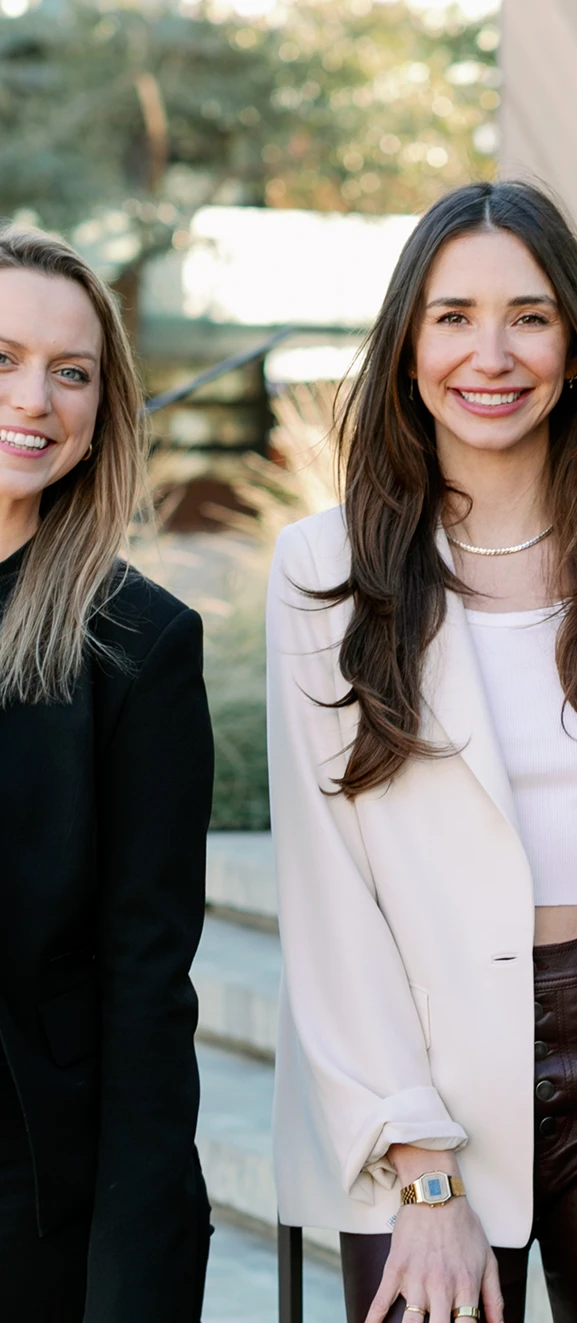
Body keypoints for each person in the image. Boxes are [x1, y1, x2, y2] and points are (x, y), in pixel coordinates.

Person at [267, 180, 577, 1323]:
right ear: (405, 349)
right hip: (417, 1068)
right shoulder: (323, 571)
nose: (490, 353)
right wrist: (419, 1163)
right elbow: (327, 890)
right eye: (452, 317)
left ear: (576, 349)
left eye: (530, 316)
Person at [0, 226, 213, 1320]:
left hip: (26, 1209)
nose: (35, 398)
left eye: (69, 372)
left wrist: (136, 1281)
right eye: (2, 360)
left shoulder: (136, 643)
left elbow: (144, 990)